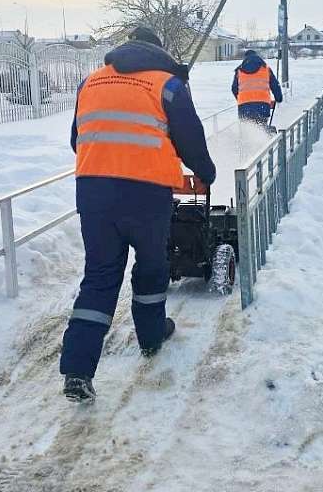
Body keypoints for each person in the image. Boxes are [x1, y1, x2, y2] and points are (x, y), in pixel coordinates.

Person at [60, 26, 217, 403]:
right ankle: (150, 337)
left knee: (98, 277)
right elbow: (191, 140)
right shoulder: (168, 85)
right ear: (158, 52)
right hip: (147, 196)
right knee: (151, 267)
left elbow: (75, 139)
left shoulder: (90, 82)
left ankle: (78, 372)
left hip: (94, 194)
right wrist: (206, 173)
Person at [232, 50, 284, 128]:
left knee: (246, 129)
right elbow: (275, 85)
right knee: (261, 127)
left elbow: (234, 88)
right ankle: (264, 138)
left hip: (244, 106)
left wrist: (240, 99)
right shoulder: (266, 69)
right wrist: (278, 98)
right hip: (262, 105)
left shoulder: (239, 71)